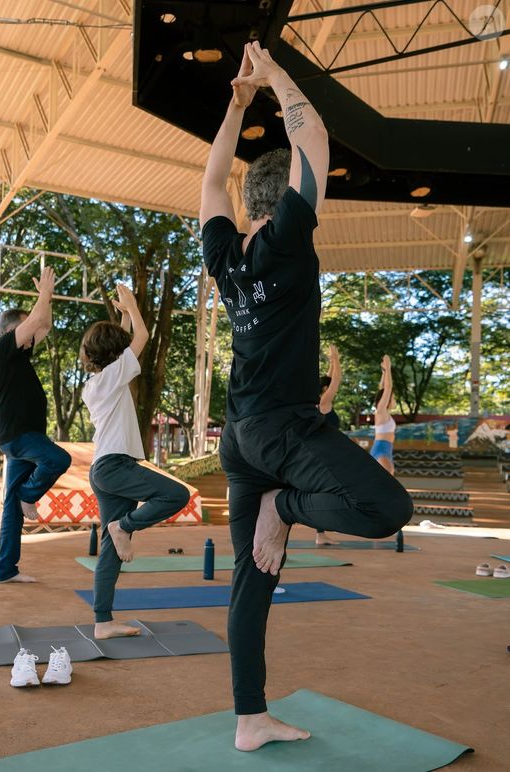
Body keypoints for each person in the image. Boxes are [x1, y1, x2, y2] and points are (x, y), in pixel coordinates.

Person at [200, 42, 413, 752]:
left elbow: (208, 183)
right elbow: (312, 135)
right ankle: (283, 506)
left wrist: (234, 108)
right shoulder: (287, 242)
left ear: (245, 205)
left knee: (251, 576)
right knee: (388, 507)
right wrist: (273, 78)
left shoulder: (226, 258)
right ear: (285, 197)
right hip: (285, 433)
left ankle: (248, 719)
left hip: (239, 438)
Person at [81, 283, 190, 640]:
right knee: (176, 495)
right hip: (115, 466)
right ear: (116, 355)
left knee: (111, 553)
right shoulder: (113, 377)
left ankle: (102, 622)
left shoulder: (99, 381)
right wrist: (133, 306)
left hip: (104, 469)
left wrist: (123, 316)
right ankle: (125, 525)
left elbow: (126, 340)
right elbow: (141, 337)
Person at [0, 266, 71, 583]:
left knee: (10, 507)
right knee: (58, 459)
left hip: (25, 437)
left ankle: (6, 570)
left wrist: (45, 300)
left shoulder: (20, 356)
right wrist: (44, 294)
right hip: (18, 436)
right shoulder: (2, 350)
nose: (35, 334)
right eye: (27, 328)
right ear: (12, 331)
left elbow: (44, 324)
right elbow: (36, 322)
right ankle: (29, 495)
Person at [315, 344, 341, 546]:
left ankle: (321, 533)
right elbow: (335, 383)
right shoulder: (324, 402)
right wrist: (336, 359)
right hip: (325, 453)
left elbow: (329, 379)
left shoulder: (318, 400)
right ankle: (321, 532)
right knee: (326, 491)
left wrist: (331, 362)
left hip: (324, 451)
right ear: (325, 389)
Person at [371, 355, 396, 474]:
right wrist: (389, 367)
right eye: (393, 396)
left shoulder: (384, 413)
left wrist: (385, 372)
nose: (394, 399)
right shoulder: (380, 410)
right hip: (381, 448)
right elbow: (387, 388)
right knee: (388, 481)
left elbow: (382, 388)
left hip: (386, 449)